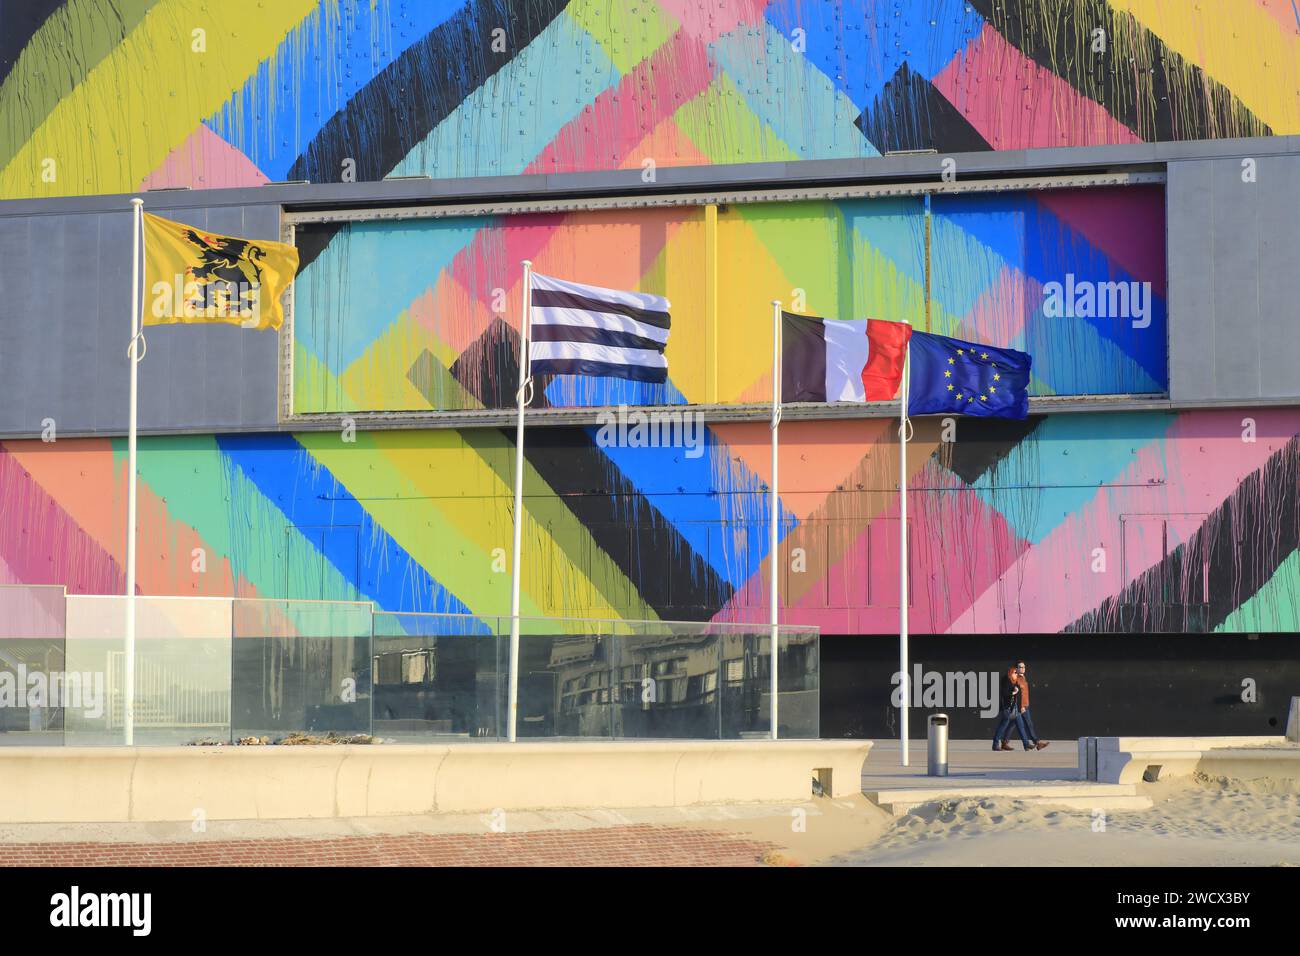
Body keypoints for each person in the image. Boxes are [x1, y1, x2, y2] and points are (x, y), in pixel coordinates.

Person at [1000, 660, 1048, 751]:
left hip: (1025, 705)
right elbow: (1017, 694)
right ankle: (1037, 743)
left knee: (1012, 725)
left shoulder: (1023, 678)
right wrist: (1021, 706)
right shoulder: (1016, 679)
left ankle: (1004, 742)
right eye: (1020, 667)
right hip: (1021, 706)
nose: (1023, 669)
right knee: (1029, 724)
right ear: (1016, 669)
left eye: (1024, 667)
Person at [992, 662, 1032, 751]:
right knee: (1002, 726)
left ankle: (1026, 744)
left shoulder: (1014, 681)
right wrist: (1013, 692)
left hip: (1015, 708)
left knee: (1021, 726)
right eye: (1015, 673)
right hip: (1007, 708)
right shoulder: (1006, 680)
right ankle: (995, 744)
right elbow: (1004, 693)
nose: (1016, 674)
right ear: (1010, 673)